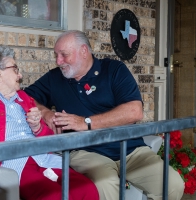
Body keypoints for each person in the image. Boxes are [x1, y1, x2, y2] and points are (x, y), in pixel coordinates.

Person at [24, 30, 185, 200]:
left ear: (84, 51)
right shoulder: (54, 78)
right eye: (56, 55)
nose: (58, 61)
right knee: (105, 184)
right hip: (85, 152)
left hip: (129, 149)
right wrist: (46, 113)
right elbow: (24, 97)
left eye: (64, 55)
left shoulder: (114, 70)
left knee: (172, 185)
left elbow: (134, 111)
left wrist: (85, 122)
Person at [0, 46, 99, 200]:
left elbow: (50, 139)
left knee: (87, 189)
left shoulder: (24, 98)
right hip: (14, 165)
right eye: (15, 69)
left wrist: (38, 128)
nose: (20, 75)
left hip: (44, 159)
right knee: (52, 196)